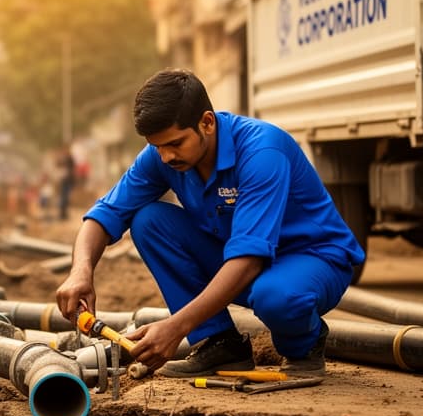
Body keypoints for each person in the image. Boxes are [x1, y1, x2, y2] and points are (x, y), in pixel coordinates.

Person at [55, 69, 364, 378]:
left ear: (207, 122)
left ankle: (304, 347)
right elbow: (104, 213)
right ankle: (220, 345)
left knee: (276, 296)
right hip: (242, 260)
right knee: (149, 221)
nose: (165, 157)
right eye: (157, 146)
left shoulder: (262, 151)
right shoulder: (162, 155)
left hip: (313, 260)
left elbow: (249, 260)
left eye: (175, 143)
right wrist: (80, 272)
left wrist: (175, 328)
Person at [57, 145, 76, 221]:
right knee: (64, 197)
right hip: (65, 181)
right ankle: (62, 214)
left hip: (67, 180)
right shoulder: (65, 159)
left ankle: (63, 214)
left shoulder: (68, 159)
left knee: (65, 197)